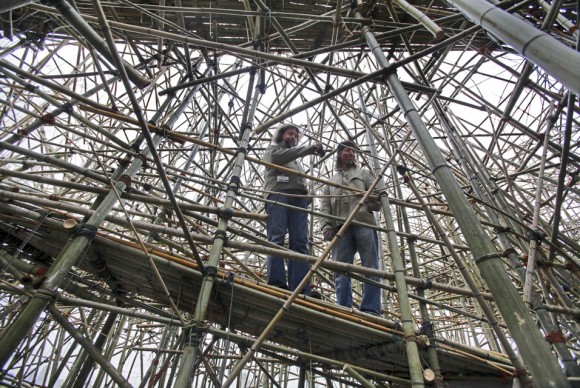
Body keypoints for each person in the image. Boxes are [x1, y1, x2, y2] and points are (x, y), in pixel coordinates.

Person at [320, 140, 382, 315]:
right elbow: (325, 206)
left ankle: (371, 309)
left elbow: (378, 201)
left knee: (370, 267)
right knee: (340, 269)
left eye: (354, 152)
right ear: (339, 154)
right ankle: (343, 308)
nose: (351, 154)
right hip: (340, 226)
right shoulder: (331, 181)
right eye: (348, 151)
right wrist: (326, 225)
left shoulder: (364, 174)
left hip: (363, 222)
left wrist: (365, 198)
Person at [263, 123, 324, 297]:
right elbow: (275, 159)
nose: (293, 138)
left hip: (298, 199)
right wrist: (309, 149)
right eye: (290, 134)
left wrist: (307, 196)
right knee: (277, 237)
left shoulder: (296, 160)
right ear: (281, 135)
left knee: (301, 242)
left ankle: (300, 288)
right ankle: (277, 283)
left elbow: (299, 180)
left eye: (296, 136)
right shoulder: (273, 149)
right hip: (278, 194)